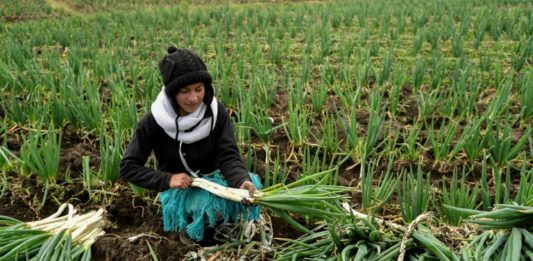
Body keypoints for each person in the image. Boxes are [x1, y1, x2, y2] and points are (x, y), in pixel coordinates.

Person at [119, 46, 259, 245]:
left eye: (199, 89)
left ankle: (221, 226)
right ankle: (193, 231)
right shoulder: (155, 121)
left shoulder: (215, 113)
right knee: (209, 204)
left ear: (206, 88)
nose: (193, 98)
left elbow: (228, 156)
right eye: (184, 91)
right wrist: (168, 179)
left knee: (249, 187)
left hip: (214, 181)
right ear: (171, 93)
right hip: (180, 191)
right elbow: (128, 168)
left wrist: (240, 180)